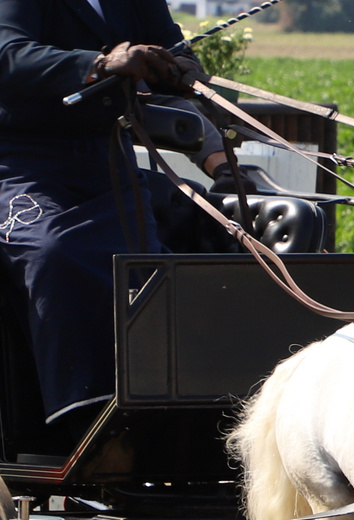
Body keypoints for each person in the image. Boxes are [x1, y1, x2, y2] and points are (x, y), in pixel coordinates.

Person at [0, 0, 256, 432]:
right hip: (22, 163)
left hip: (108, 162)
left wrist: (178, 70)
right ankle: (77, 419)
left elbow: (175, 50)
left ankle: (165, 409)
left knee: (148, 268)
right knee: (55, 253)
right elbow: (9, 53)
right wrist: (101, 64)